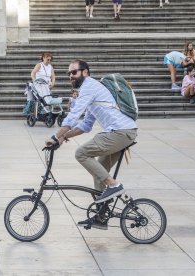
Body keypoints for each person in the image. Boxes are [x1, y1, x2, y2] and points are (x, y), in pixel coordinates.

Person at [45, 59, 137, 229]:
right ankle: (101, 218)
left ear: (85, 72)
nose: (71, 76)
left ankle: (114, 185)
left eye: (74, 72)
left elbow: (73, 116)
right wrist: (63, 138)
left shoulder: (89, 86)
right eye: (68, 73)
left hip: (120, 132)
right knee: (99, 175)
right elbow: (86, 125)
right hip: (120, 132)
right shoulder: (89, 90)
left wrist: (55, 135)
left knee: (81, 153)